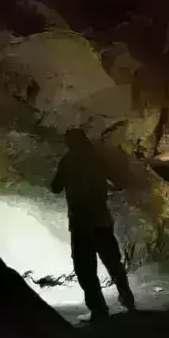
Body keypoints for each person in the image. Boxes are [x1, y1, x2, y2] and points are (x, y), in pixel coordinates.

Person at [51, 128, 136, 322]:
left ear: (70, 143)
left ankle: (98, 310)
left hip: (80, 222)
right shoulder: (98, 158)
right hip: (100, 220)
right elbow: (120, 182)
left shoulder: (68, 161)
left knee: (85, 268)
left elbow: (55, 188)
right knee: (113, 262)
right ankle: (128, 300)